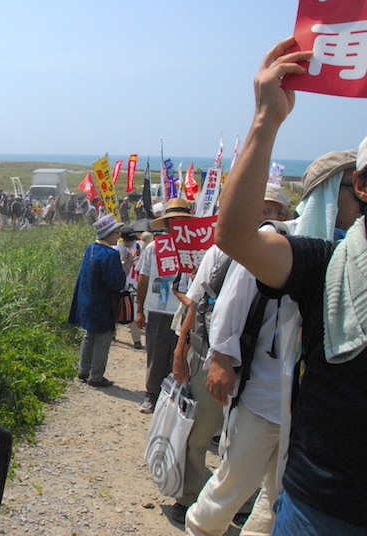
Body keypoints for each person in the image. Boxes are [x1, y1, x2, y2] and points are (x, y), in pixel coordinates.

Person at [214, 38, 367, 534]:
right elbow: (237, 237)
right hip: (325, 504)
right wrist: (266, 119)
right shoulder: (328, 263)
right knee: (232, 483)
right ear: (361, 186)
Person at [174, 184, 292, 531]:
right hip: (223, 365)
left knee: (255, 463)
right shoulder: (222, 252)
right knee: (206, 437)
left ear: (285, 217)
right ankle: (191, 501)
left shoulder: (294, 253)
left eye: (271, 212)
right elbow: (201, 304)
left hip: (273, 384)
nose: (264, 220)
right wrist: (185, 353)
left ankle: (238, 509)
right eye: (258, 210)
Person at [135, 197, 194, 413]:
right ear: (167, 223)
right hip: (158, 310)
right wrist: (139, 309)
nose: (177, 223)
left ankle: (173, 398)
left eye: (182, 219)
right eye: (173, 220)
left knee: (181, 357)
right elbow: (143, 279)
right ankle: (151, 395)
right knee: (156, 355)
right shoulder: (154, 247)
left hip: (187, 310)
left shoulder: (196, 247)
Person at [69, 214, 134, 387]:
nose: (119, 236)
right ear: (108, 234)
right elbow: (116, 282)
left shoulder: (90, 248)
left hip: (86, 300)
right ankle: (96, 376)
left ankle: (83, 370)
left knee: (89, 336)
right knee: (103, 338)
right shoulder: (111, 255)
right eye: (116, 233)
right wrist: (127, 266)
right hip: (102, 304)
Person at [115, 227, 143, 350]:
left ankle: (137, 340)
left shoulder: (140, 247)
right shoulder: (117, 249)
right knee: (117, 307)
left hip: (135, 282)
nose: (131, 243)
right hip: (121, 282)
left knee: (133, 309)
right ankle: (113, 333)